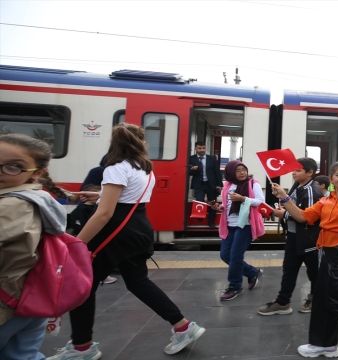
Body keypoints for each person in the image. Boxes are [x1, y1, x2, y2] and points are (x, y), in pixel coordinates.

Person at [47, 124, 205, 360]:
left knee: (83, 287)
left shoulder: (115, 168)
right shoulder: (145, 168)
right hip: (138, 230)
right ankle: (183, 326)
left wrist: (75, 244)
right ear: (141, 143)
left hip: (114, 234)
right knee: (138, 282)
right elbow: (130, 197)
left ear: (115, 143)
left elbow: (104, 214)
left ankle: (83, 347)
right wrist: (100, 194)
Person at [271, 160, 338, 358]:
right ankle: (324, 344)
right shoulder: (328, 199)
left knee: (335, 301)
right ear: (331, 179)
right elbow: (303, 217)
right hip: (328, 253)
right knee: (321, 300)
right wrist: (285, 198)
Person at [0, 134, 68, 360]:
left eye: (14, 167)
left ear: (37, 173)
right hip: (32, 296)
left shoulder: (10, 205)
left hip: (6, 305)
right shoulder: (38, 197)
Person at [258, 157, 323, 315]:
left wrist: (285, 214)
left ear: (310, 173)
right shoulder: (298, 185)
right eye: (293, 169)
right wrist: (282, 197)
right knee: (289, 269)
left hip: (308, 238)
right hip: (294, 237)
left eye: (298, 170)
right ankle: (283, 302)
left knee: (313, 271)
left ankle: (316, 299)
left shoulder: (311, 191)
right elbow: (293, 205)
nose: (293, 172)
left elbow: (308, 217)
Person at [216, 160, 264, 301]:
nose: (242, 172)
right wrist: (220, 207)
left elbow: (261, 202)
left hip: (245, 225)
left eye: (244, 169)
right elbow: (227, 204)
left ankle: (235, 287)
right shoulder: (228, 185)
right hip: (229, 224)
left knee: (236, 256)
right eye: (238, 170)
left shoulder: (252, 183)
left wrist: (243, 198)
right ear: (231, 172)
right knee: (225, 255)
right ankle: (252, 272)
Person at [68, 184, 118, 284]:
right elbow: (78, 225)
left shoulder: (96, 208)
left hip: (93, 238)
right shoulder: (82, 210)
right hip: (86, 239)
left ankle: (99, 275)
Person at [189, 141, 223, 228]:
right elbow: (187, 172)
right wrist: (193, 169)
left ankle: (211, 222)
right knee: (200, 201)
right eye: (199, 148)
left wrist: (219, 184)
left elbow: (217, 172)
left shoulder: (211, 159)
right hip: (199, 185)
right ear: (195, 148)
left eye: (203, 148)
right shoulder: (191, 159)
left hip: (211, 185)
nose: (202, 150)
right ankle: (200, 218)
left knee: (213, 203)